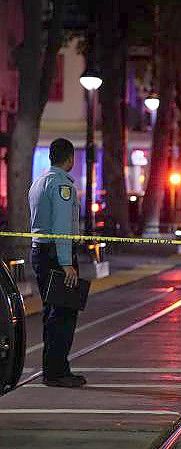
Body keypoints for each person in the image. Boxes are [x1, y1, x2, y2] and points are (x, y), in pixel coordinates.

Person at [29, 138, 85, 388]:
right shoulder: (63, 185)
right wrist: (66, 263)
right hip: (56, 255)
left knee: (51, 313)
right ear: (70, 158)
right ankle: (57, 372)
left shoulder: (38, 182)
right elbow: (62, 226)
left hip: (40, 251)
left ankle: (51, 369)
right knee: (63, 313)